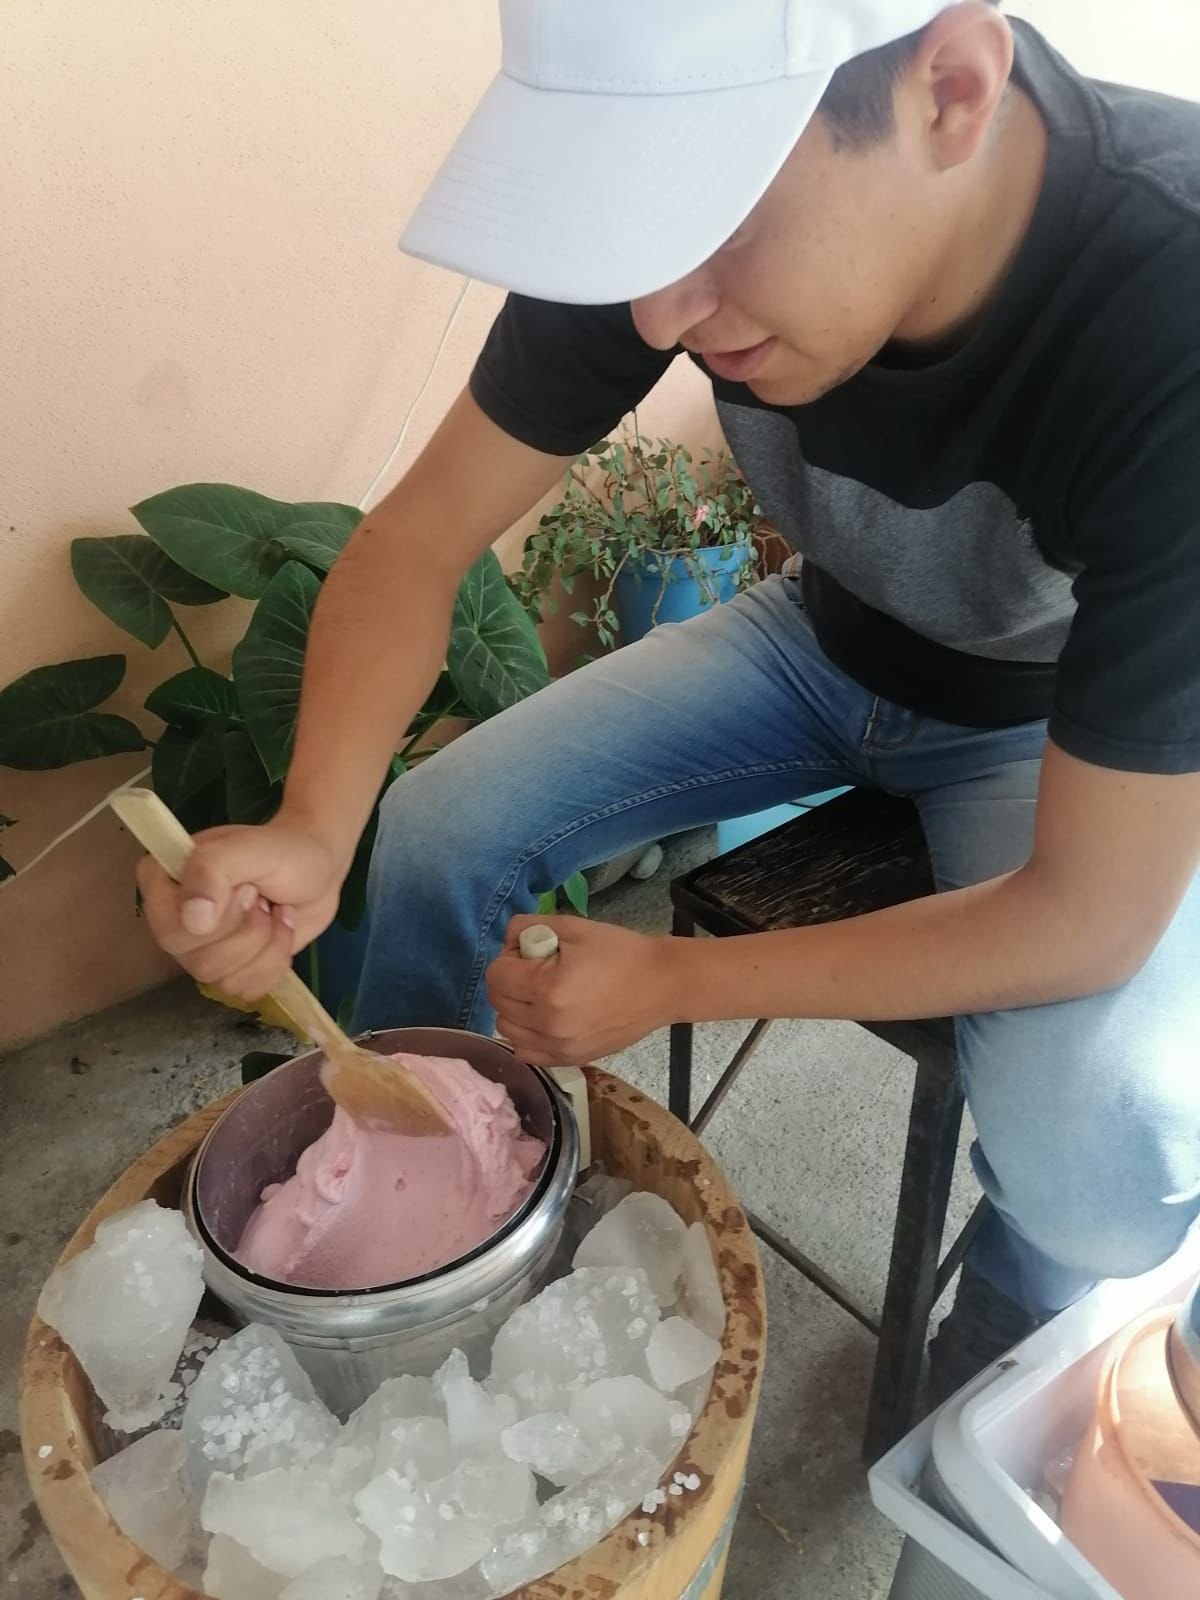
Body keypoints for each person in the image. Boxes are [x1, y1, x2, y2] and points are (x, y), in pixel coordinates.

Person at [138, 0, 1200, 1399]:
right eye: (638, 237)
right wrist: (312, 829)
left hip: (1057, 724)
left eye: (714, 224)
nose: (657, 316)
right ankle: (432, 1220)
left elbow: (1086, 913)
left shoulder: (1167, 310)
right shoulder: (664, 245)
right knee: (440, 830)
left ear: (949, 87)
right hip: (816, 638)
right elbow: (410, 545)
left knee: (1102, 1172)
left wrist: (683, 978)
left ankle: (1012, 1327)